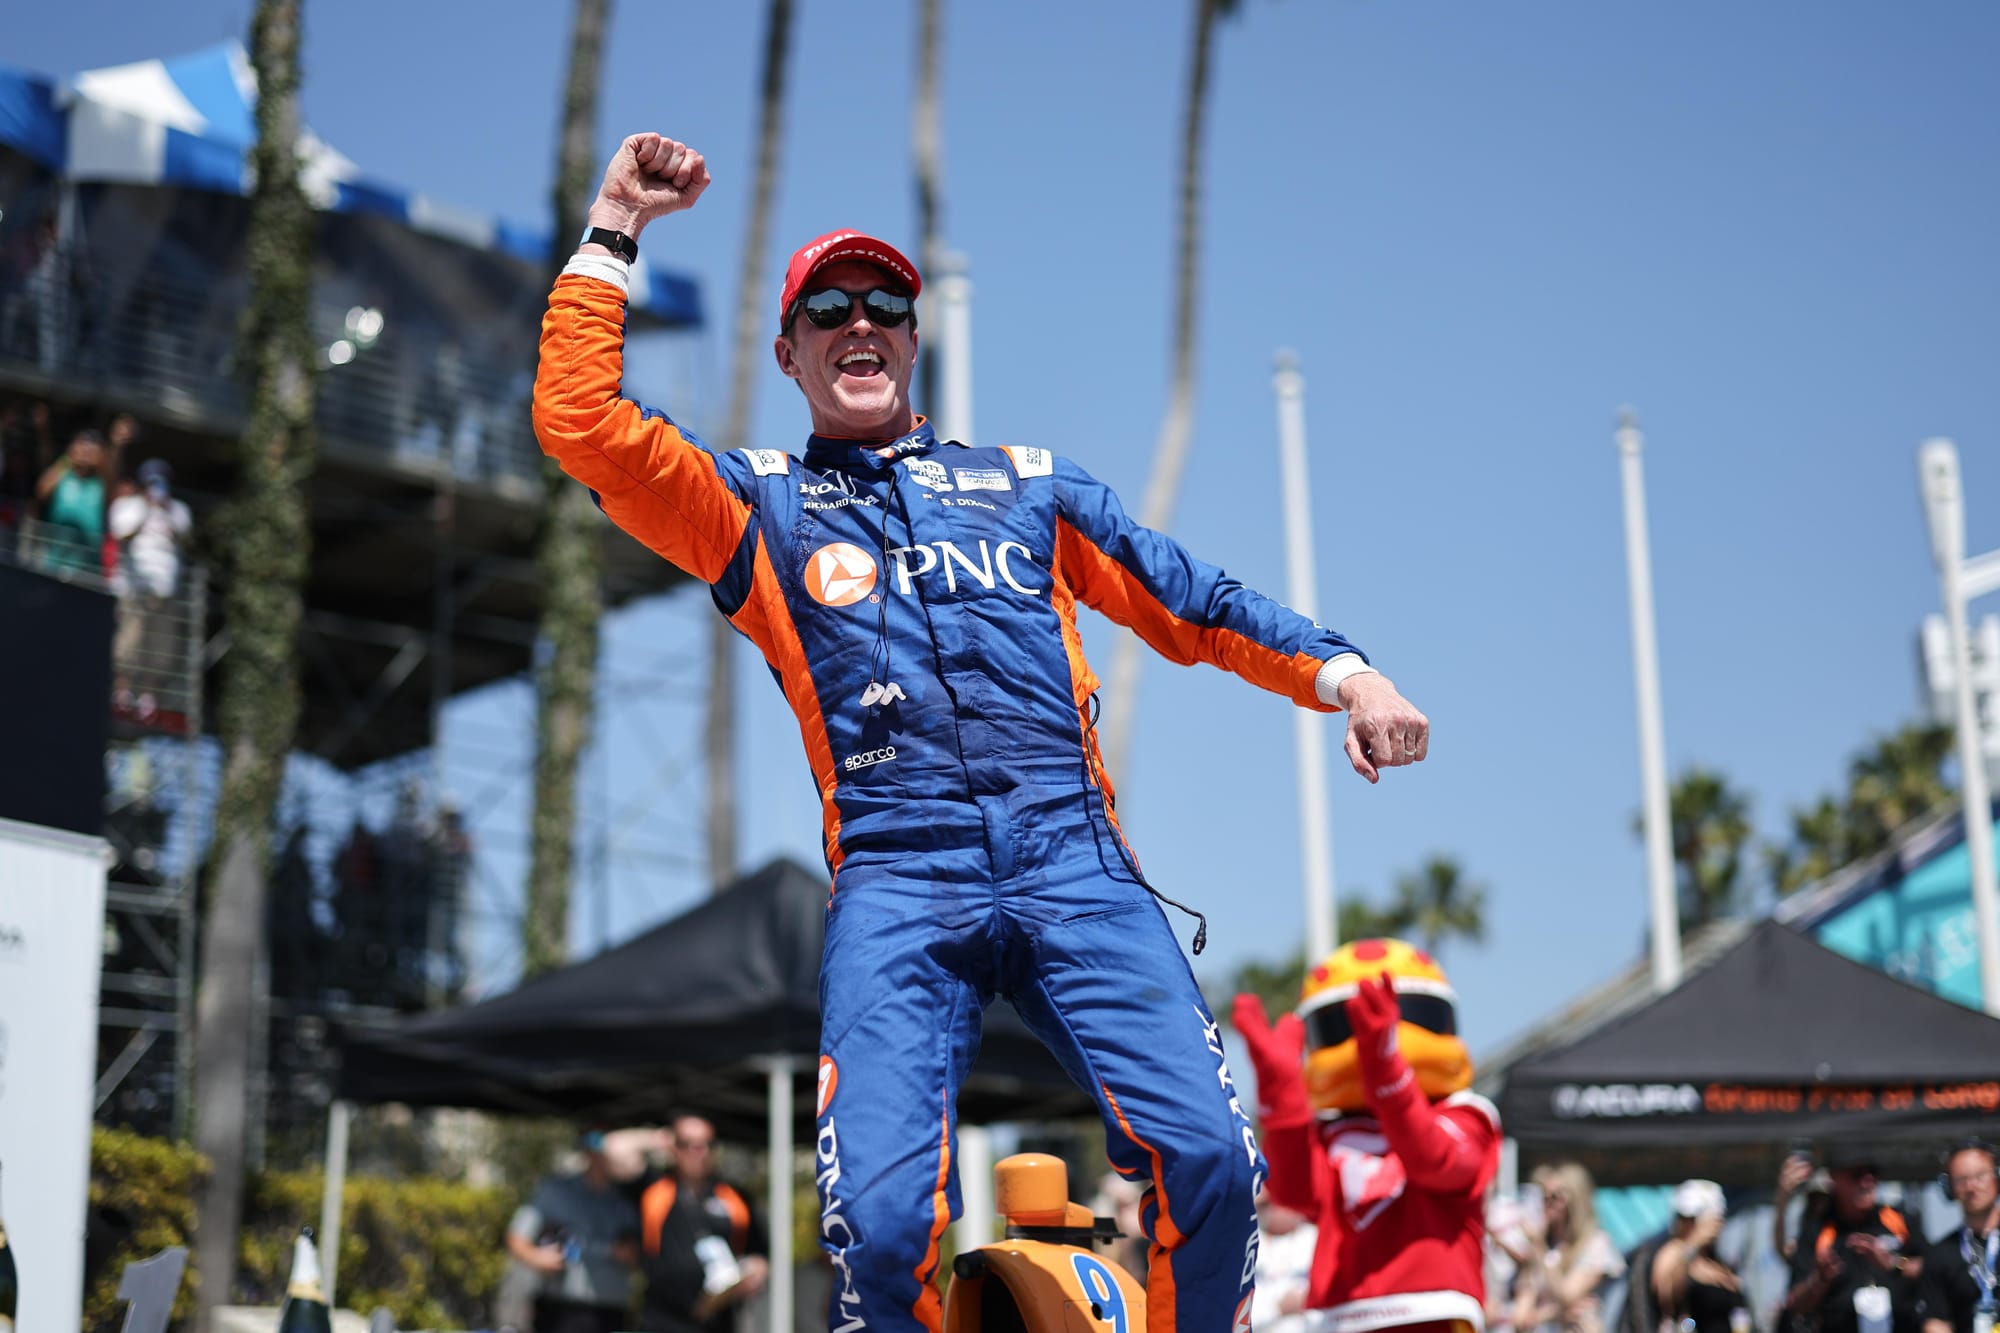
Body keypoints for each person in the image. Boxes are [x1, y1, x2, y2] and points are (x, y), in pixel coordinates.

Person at [532, 132, 1432, 1333]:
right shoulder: (755, 503)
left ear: (915, 334)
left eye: (886, 303)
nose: (862, 322)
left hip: (1076, 864)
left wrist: (1345, 672)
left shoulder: (1029, 486)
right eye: (830, 306)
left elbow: (1193, 602)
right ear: (787, 350)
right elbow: (578, 420)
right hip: (900, 875)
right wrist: (613, 231)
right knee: (889, 1224)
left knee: (1214, 1165)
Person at [1235, 937, 1500, 1333]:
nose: (1360, 1036)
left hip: (1432, 1313)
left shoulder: (1467, 1113)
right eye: (1342, 1025)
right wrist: (1282, 1099)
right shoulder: (1332, 1130)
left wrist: (1388, 1075)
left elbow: (1436, 1159)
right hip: (1338, 1316)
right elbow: (1294, 1193)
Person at [635, 1114, 769, 1333]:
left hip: (720, 1319)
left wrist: (755, 1272)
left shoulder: (735, 1197)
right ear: (674, 1147)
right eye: (687, 1144)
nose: (698, 1152)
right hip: (662, 1319)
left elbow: (760, 1253)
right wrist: (657, 1138)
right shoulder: (653, 1189)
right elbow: (615, 1151)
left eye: (706, 1144)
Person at [504, 1130, 642, 1333]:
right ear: (587, 1151)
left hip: (612, 1309)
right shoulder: (557, 1191)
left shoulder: (629, 1197)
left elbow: (646, 1253)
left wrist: (631, 1254)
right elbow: (516, 1237)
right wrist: (537, 1257)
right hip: (562, 1307)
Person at [1784, 1145, 1921, 1333]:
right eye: (1856, 1175)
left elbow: (1933, 1271)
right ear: (1834, 1178)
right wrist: (1820, 1279)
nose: (1867, 1181)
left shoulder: (1898, 1219)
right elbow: (1796, 1306)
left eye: (1873, 1173)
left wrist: (1894, 1263)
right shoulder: (1817, 1230)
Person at [108, 458, 192, 715]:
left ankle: (147, 698)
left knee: (160, 646)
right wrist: (145, 510)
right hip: (133, 588)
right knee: (128, 644)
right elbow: (121, 535)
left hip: (165, 590)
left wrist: (165, 510)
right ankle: (122, 692)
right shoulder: (127, 506)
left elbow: (187, 541)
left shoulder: (178, 510)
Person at [1513, 1163, 1626, 1333]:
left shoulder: (1597, 1244)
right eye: (1544, 1196)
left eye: (1555, 1197)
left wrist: (1542, 1314)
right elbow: (1520, 1318)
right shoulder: (1543, 1247)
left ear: (1575, 1200)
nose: (1547, 1204)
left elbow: (1566, 1295)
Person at [1919, 1140, 1999, 1333]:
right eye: (1961, 1179)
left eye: (1980, 1176)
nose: (1971, 1187)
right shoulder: (1940, 1255)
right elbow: (1936, 1323)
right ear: (1949, 1187)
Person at [1652, 1179, 1749, 1333]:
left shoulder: (1716, 1259)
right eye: (1685, 1218)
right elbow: (1667, 1296)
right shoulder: (1673, 1251)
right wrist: (1693, 1244)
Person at [35, 427, 109, 574]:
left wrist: (103, 458)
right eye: (82, 444)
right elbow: (41, 491)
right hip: (55, 561)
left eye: (91, 447)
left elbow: (111, 479)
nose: (86, 451)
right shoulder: (63, 475)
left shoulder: (100, 483)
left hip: (87, 568)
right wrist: (68, 458)